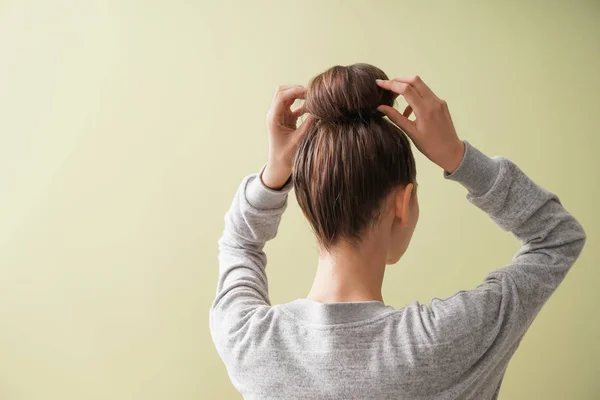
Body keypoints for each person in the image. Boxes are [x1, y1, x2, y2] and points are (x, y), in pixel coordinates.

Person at [209, 64, 586, 399]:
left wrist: (273, 175)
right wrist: (459, 157)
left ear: (309, 206)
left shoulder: (249, 341)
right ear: (402, 204)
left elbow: (240, 242)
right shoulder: (452, 337)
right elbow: (556, 237)